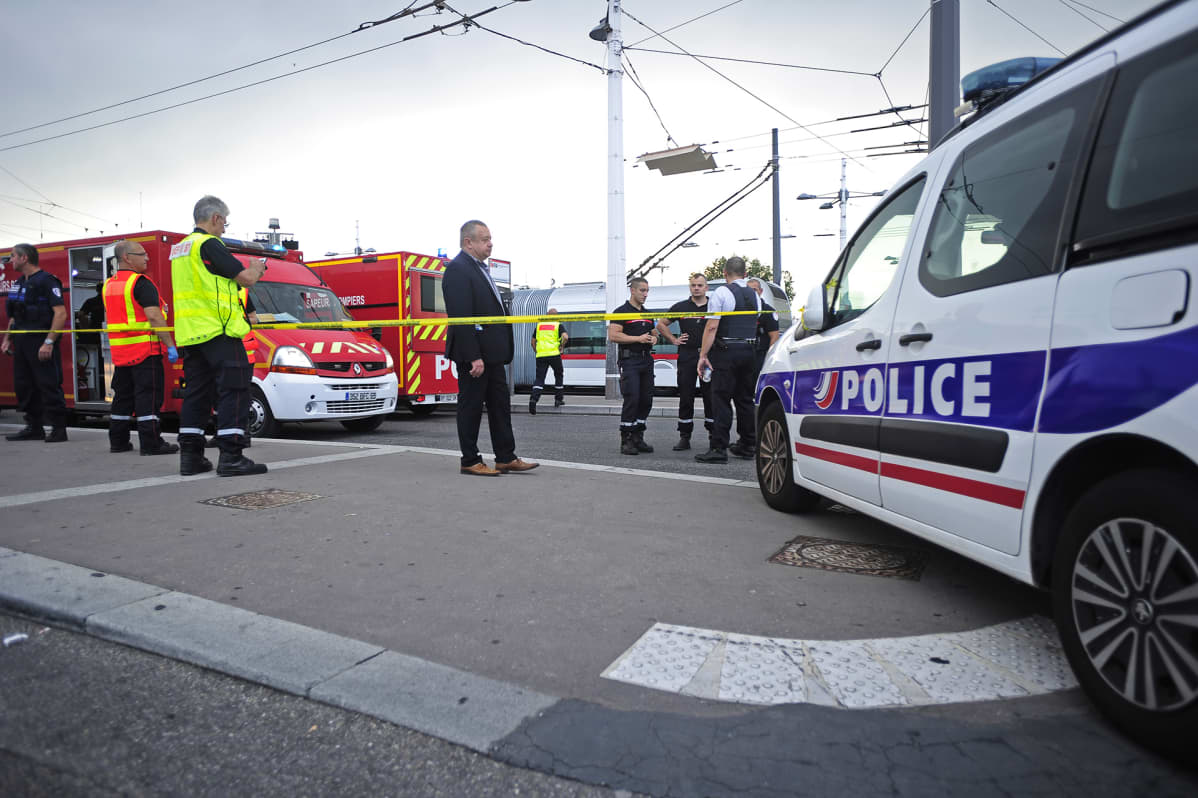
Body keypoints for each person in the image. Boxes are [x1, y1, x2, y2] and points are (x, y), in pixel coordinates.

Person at [170, 195, 267, 477]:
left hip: (191, 334)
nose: (225, 228)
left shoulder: (180, 249)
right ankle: (231, 457)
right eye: (224, 222)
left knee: (196, 395)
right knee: (234, 392)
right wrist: (257, 268)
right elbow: (245, 279)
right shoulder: (209, 243)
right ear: (215, 218)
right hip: (219, 331)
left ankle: (190, 457)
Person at [442, 220, 538, 476]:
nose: (490, 243)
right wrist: (474, 356)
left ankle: (506, 456)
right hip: (476, 356)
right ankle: (470, 460)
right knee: (471, 407)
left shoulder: (479, 269)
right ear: (468, 242)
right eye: (484, 239)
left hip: (493, 355)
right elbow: (461, 318)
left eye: (490, 238)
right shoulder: (458, 269)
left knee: (499, 407)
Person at [103, 240, 180, 456]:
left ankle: (117, 441)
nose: (147, 258)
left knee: (122, 398)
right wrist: (170, 345)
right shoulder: (141, 283)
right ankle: (151, 443)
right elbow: (154, 316)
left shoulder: (109, 285)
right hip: (145, 352)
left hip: (120, 354)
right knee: (149, 398)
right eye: (142, 254)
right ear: (127, 257)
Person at [695, 257, 762, 463]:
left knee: (721, 399)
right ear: (745, 273)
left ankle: (718, 448)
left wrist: (703, 355)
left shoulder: (722, 293)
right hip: (749, 351)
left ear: (725, 273)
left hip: (727, 352)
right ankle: (748, 444)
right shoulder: (755, 295)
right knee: (745, 400)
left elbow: (712, 326)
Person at [2, 244, 69, 442]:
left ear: (24, 258)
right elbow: (15, 316)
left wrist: (48, 342)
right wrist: (7, 339)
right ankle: (34, 427)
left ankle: (58, 429)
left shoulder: (47, 281)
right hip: (22, 343)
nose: (10, 260)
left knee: (48, 384)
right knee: (24, 385)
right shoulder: (19, 283)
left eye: (13, 256)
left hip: (40, 341)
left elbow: (60, 313)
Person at [656, 273, 713, 451]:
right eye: (693, 285)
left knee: (711, 397)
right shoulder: (681, 307)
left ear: (706, 287)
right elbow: (661, 324)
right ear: (690, 287)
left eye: (700, 285)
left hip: (709, 357)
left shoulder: (715, 306)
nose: (696, 288)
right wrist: (674, 340)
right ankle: (684, 436)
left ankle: (714, 436)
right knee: (686, 396)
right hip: (687, 356)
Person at [609, 277, 658, 456]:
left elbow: (655, 333)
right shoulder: (620, 312)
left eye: (647, 291)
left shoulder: (647, 313)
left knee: (646, 400)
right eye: (642, 290)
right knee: (632, 399)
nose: (645, 294)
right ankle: (626, 439)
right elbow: (613, 336)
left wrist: (654, 338)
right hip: (630, 361)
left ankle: (638, 436)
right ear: (633, 290)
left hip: (646, 360)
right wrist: (637, 339)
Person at [528, 307, 568, 415]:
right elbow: (565, 337)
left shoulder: (539, 326)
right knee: (559, 375)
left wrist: (537, 351)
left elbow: (532, 342)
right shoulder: (558, 325)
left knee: (540, 378)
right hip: (554, 355)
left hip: (541, 356)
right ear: (556, 316)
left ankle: (534, 399)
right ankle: (558, 399)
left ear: (547, 315)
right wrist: (561, 346)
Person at [746, 277, 780, 384]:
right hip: (743, 353)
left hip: (759, 354)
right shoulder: (739, 310)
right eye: (748, 290)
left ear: (760, 291)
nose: (751, 293)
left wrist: (768, 359)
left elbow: (774, 336)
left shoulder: (768, 311)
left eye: (754, 290)